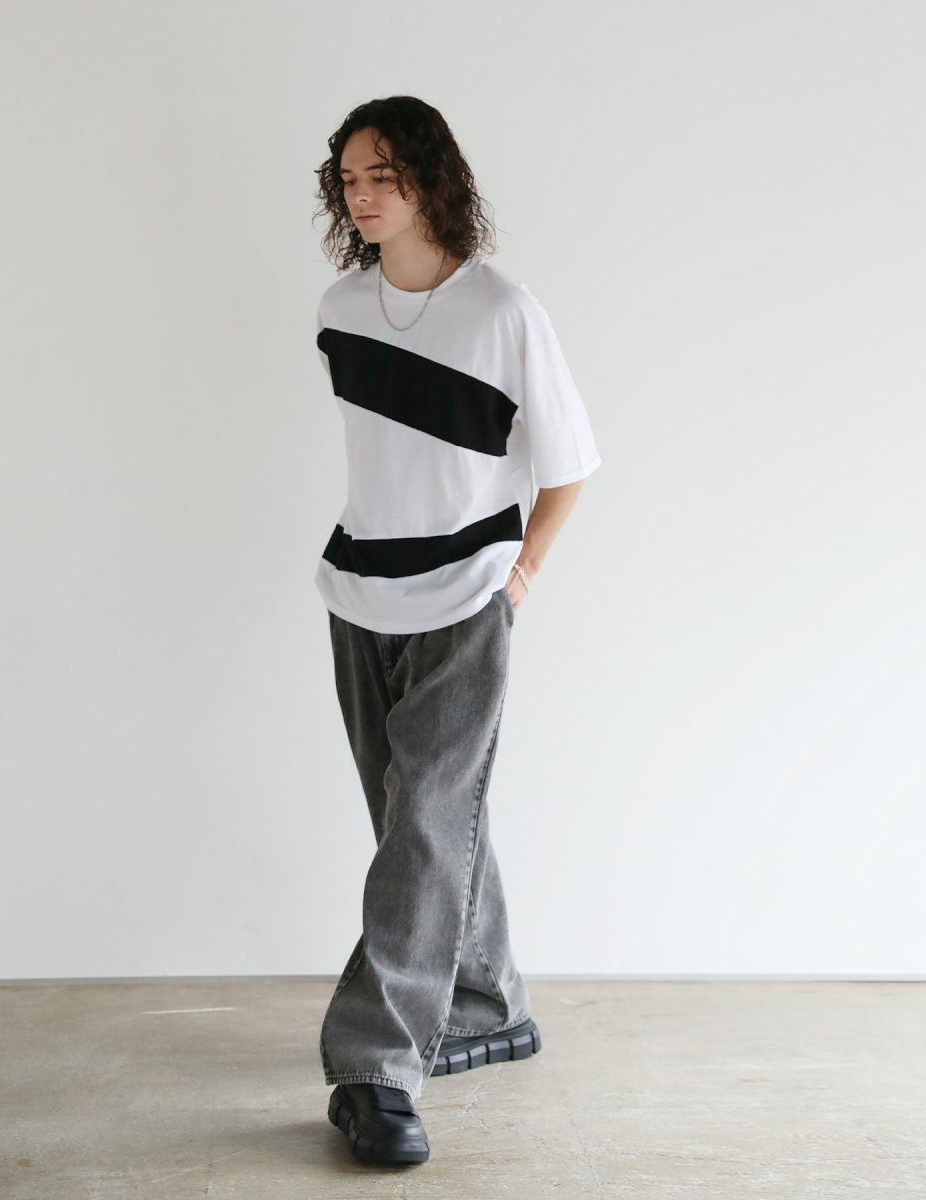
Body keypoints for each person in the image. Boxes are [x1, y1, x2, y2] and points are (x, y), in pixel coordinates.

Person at [311, 96, 602, 1166]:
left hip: (466, 599)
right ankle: (485, 1004)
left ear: (431, 177)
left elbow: (567, 467)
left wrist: (518, 577)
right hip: (358, 597)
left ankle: (374, 1068)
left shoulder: (501, 310)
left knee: (428, 824)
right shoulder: (340, 310)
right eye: (349, 180)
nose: (363, 196)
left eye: (382, 175)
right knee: (416, 826)